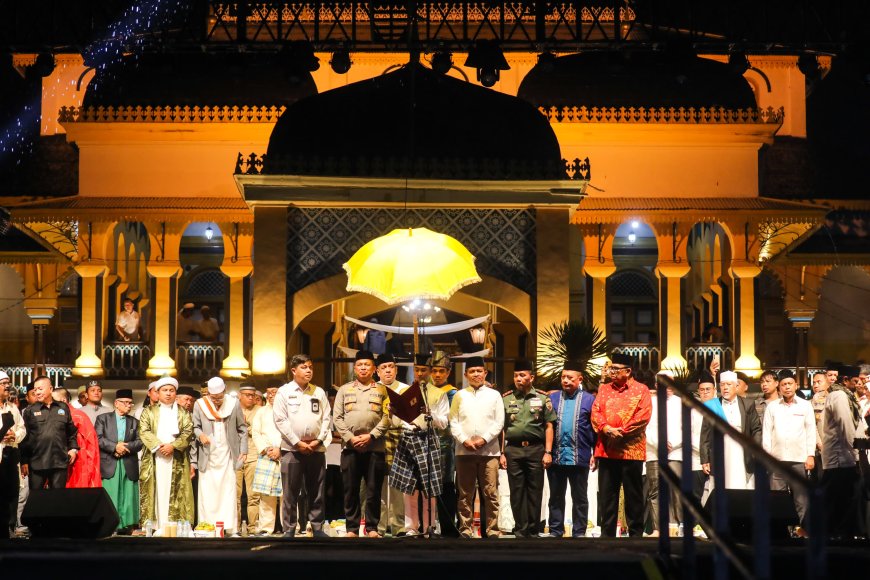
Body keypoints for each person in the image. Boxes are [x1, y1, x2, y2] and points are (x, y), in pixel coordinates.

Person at [590, 353, 652, 538]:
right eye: (611, 368)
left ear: (628, 371)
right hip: (607, 451)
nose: (612, 372)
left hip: (631, 451)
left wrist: (620, 432)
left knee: (634, 497)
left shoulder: (641, 390)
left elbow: (643, 417)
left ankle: (636, 537)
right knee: (607, 497)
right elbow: (595, 412)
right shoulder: (604, 389)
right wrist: (606, 428)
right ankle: (607, 538)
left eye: (616, 369)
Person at [386, 353, 448, 537]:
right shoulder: (405, 391)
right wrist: (392, 412)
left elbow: (444, 423)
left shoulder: (438, 393)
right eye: (417, 370)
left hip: (428, 438)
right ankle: (411, 527)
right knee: (409, 487)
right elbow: (396, 423)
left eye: (423, 370)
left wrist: (430, 414)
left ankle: (429, 526)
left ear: (429, 371)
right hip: (407, 437)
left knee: (429, 488)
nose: (420, 373)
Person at [333, 350, 391, 538]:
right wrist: (350, 437)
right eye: (360, 365)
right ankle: (352, 529)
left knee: (374, 490)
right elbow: (337, 418)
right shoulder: (344, 390)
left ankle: (372, 528)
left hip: (375, 447)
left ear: (374, 368)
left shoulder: (383, 390)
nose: (363, 368)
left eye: (367, 365)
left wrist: (371, 436)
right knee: (350, 490)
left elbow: (387, 417)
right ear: (355, 368)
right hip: (350, 448)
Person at [274, 354, 332, 538]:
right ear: (294, 370)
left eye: (310, 367)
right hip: (292, 449)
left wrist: (318, 441)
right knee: (290, 492)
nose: (309, 371)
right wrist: (297, 442)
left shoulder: (318, 392)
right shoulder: (284, 392)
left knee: (317, 491)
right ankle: (289, 529)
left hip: (316, 448)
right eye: (304, 367)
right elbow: (280, 420)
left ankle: (317, 528)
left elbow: (326, 419)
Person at [449, 356, 504, 538]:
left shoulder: (494, 395)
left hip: (490, 452)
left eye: (479, 371)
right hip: (464, 451)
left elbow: (499, 422)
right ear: (466, 375)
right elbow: (453, 421)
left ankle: (492, 529)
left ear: (485, 373)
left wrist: (484, 439)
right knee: (465, 493)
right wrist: (464, 440)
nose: (476, 374)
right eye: (472, 371)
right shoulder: (459, 395)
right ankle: (465, 529)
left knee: (491, 492)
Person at [500, 359, 556, 538]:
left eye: (522, 375)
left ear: (532, 377)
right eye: (516, 375)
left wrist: (548, 452)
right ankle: (520, 530)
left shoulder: (542, 398)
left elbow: (549, 426)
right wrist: (502, 452)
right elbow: (503, 428)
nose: (518, 378)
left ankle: (533, 530)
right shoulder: (506, 398)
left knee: (535, 491)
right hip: (513, 450)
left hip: (535, 449)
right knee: (516, 492)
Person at [545, 360, 596, 538]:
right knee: (556, 496)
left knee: (580, 497)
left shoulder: (590, 400)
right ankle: (555, 530)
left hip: (580, 456)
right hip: (556, 457)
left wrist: (595, 453)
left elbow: (595, 428)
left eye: (570, 377)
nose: (565, 380)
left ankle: (579, 532)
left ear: (580, 379)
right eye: (563, 377)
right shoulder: (552, 398)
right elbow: (547, 426)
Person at [762, 369, 815, 535]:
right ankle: (780, 532)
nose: (787, 387)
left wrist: (810, 455)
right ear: (779, 387)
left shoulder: (805, 405)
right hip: (777, 460)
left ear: (796, 385)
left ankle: (803, 529)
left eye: (790, 384)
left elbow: (810, 431)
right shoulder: (772, 407)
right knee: (777, 498)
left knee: (801, 498)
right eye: (784, 384)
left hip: (799, 458)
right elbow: (766, 433)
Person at [139, 376, 195, 531]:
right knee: (157, 490)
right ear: (158, 393)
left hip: (176, 457)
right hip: (155, 457)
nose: (168, 393)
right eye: (165, 390)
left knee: (177, 491)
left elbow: (188, 432)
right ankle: (155, 526)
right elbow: (143, 431)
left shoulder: (183, 413)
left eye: (171, 390)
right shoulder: (148, 412)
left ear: (176, 393)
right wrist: (159, 446)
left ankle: (175, 526)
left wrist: (173, 446)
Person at [193, 377, 247, 535]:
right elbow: (195, 426)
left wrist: (243, 450)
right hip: (208, 456)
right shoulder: (200, 404)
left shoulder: (233, 403)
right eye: (213, 398)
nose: (216, 401)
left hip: (228, 455)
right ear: (208, 394)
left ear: (225, 391)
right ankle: (207, 528)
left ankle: (229, 528)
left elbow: (242, 429)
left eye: (219, 397)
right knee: (208, 493)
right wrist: (200, 435)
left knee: (228, 492)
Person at [700, 370, 762, 491]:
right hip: (720, 452)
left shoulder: (747, 404)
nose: (725, 388)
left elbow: (756, 429)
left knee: (741, 488)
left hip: (742, 452)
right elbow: (705, 435)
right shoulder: (713, 405)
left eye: (728, 384)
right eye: (722, 385)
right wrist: (705, 459)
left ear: (736, 386)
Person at [821, 365, 863, 539]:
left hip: (844, 455)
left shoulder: (844, 395)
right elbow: (846, 426)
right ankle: (836, 535)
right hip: (840, 455)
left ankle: (839, 533)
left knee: (841, 497)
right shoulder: (839, 396)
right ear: (845, 380)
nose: (858, 384)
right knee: (838, 498)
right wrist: (856, 453)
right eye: (855, 381)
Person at [95, 389, 142, 532]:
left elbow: (140, 441)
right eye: (126, 402)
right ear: (116, 403)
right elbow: (98, 438)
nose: (129, 406)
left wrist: (124, 447)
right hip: (110, 462)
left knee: (128, 495)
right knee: (111, 494)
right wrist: (115, 447)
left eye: (130, 403)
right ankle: (110, 525)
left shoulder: (134, 422)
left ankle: (128, 526)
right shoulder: (103, 419)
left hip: (128, 462)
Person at [20, 376, 78, 490]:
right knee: (36, 498)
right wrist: (24, 461)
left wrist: (73, 449)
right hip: (37, 463)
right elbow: (25, 438)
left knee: (58, 498)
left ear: (51, 389)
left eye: (40, 389)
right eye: (35, 390)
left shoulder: (63, 408)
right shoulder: (30, 411)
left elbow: (71, 432)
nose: (37, 392)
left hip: (59, 462)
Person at [644, 371, 684, 536]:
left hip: (675, 452)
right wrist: (658, 443)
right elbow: (644, 428)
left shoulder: (681, 403)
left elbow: (686, 428)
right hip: (654, 452)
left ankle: (681, 526)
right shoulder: (649, 403)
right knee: (655, 490)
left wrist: (671, 443)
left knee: (677, 490)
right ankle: (657, 529)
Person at [428, 350, 460, 537]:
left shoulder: (453, 393)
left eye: (441, 371)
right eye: (434, 371)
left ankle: (448, 526)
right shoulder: (426, 389)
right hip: (426, 443)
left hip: (446, 445)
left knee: (446, 486)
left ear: (448, 372)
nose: (437, 375)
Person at [376, 353, 407, 537]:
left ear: (396, 370)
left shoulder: (405, 389)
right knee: (378, 483)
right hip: (378, 438)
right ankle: (379, 526)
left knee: (397, 483)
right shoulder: (373, 388)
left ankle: (398, 526)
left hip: (399, 437)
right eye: (384, 367)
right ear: (377, 371)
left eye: (391, 367)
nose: (388, 370)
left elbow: (411, 416)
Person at [52, 388, 101, 488]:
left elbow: (91, 443)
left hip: (79, 462)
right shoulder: (52, 416)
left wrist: (90, 467)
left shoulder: (79, 416)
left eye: (53, 401)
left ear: (63, 400)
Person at [251, 382, 282, 536]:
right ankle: (266, 528)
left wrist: (280, 449)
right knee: (266, 494)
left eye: (274, 392)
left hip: (285, 454)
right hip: (266, 454)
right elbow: (256, 433)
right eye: (269, 392)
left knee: (287, 494)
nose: (271, 395)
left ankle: (291, 527)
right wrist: (266, 449)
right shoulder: (261, 411)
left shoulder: (289, 410)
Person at [1, 372, 26, 539]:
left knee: (12, 493)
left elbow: (22, 429)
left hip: (11, 455)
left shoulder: (12, 408)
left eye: (8, 383)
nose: (7, 386)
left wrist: (14, 435)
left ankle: (9, 528)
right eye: (3, 383)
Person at [236, 384, 260, 532]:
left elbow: (260, 431)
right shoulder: (233, 409)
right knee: (235, 495)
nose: (251, 398)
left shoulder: (259, 410)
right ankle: (236, 527)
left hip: (253, 454)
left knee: (254, 495)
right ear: (240, 395)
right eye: (247, 395)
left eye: (253, 395)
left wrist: (244, 427)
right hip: (236, 455)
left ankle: (253, 528)